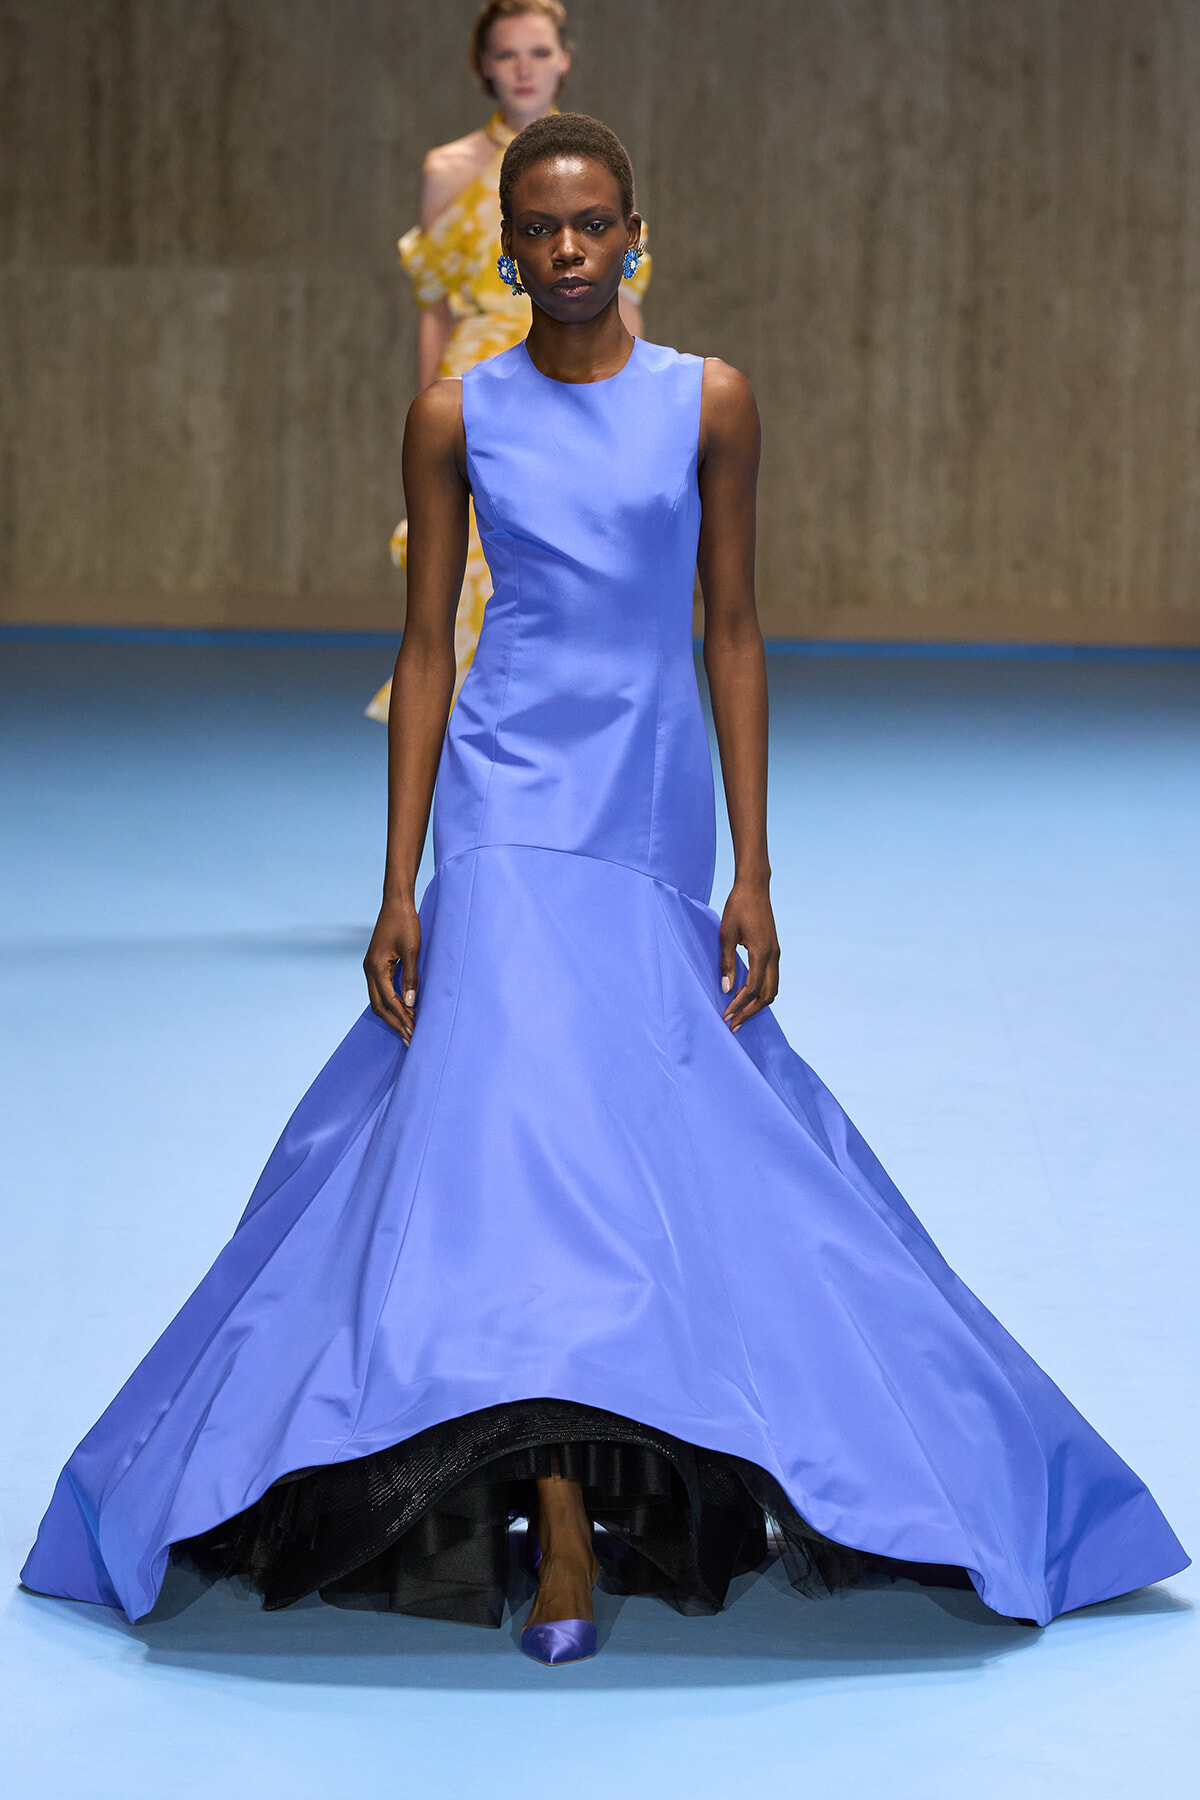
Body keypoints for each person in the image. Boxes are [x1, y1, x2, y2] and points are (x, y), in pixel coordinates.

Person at [23, 116, 1187, 1668]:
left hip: (645, 803)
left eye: (592, 223)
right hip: (505, 800)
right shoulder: (455, 414)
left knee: (644, 1130)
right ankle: (561, 1520)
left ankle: (684, 1472)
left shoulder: (710, 401)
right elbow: (424, 649)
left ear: (637, 232)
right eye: (539, 227)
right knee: (508, 1132)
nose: (566, 249)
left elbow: (734, 632)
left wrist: (755, 868)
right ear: (503, 247)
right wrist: (398, 884)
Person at [365, 0, 650, 721]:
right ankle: (464, 744)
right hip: (480, 382)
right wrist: (431, 429)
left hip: (582, 375)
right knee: (465, 571)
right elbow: (434, 309)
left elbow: (627, 298)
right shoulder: (448, 169)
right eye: (506, 54)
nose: (524, 69)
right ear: (483, 66)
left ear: (564, 59)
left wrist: (633, 416)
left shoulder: (599, 166)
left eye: (539, 52)